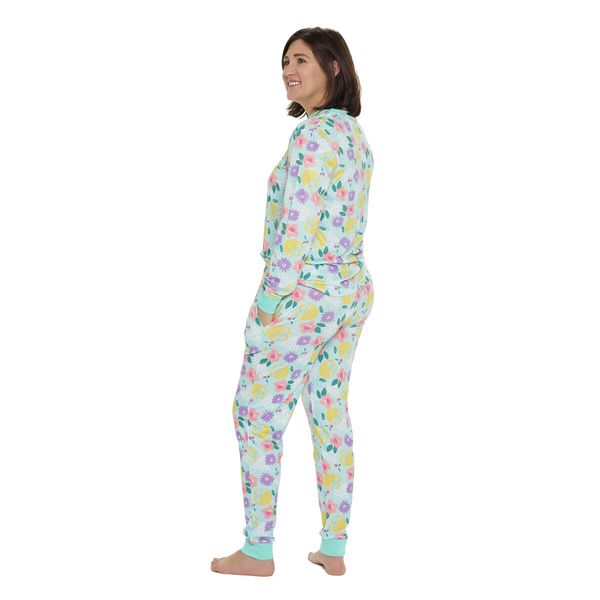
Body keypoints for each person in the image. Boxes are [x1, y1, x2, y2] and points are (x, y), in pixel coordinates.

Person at [211, 27, 375, 577]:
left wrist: (269, 301)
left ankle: (257, 551)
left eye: (301, 60)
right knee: (329, 412)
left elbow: (296, 227)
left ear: (333, 67)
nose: (289, 70)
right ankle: (334, 545)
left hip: (305, 295)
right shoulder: (353, 135)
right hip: (349, 289)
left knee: (254, 413)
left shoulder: (312, 137)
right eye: (285, 61)